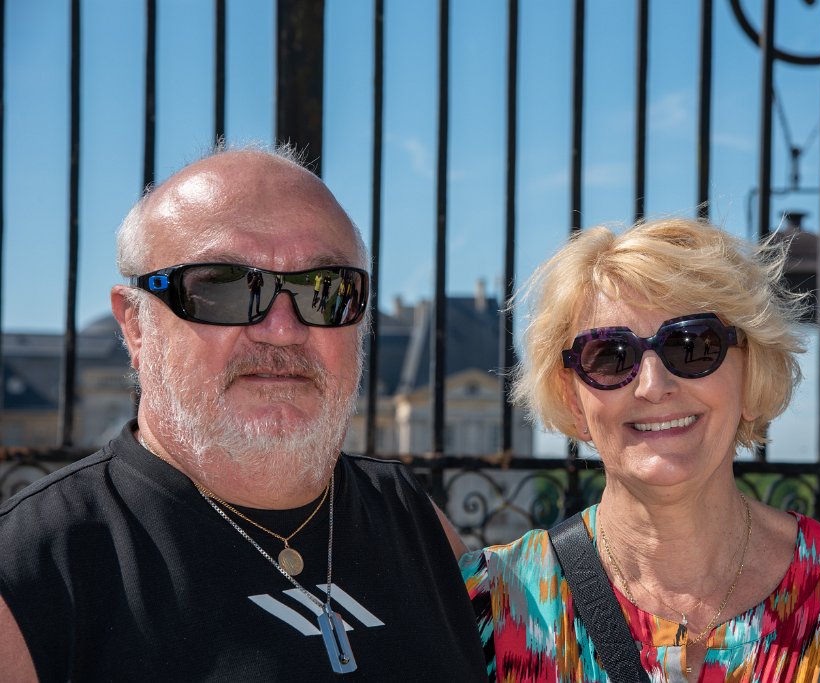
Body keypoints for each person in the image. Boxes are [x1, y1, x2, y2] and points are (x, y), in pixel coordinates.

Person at [0, 146, 487, 682]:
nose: (282, 329)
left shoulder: (415, 522)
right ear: (136, 325)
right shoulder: (32, 569)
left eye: (324, 290)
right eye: (223, 288)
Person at [460, 217, 820, 682]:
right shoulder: (491, 605)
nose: (653, 386)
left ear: (751, 373)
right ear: (573, 399)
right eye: (610, 356)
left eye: (692, 345)